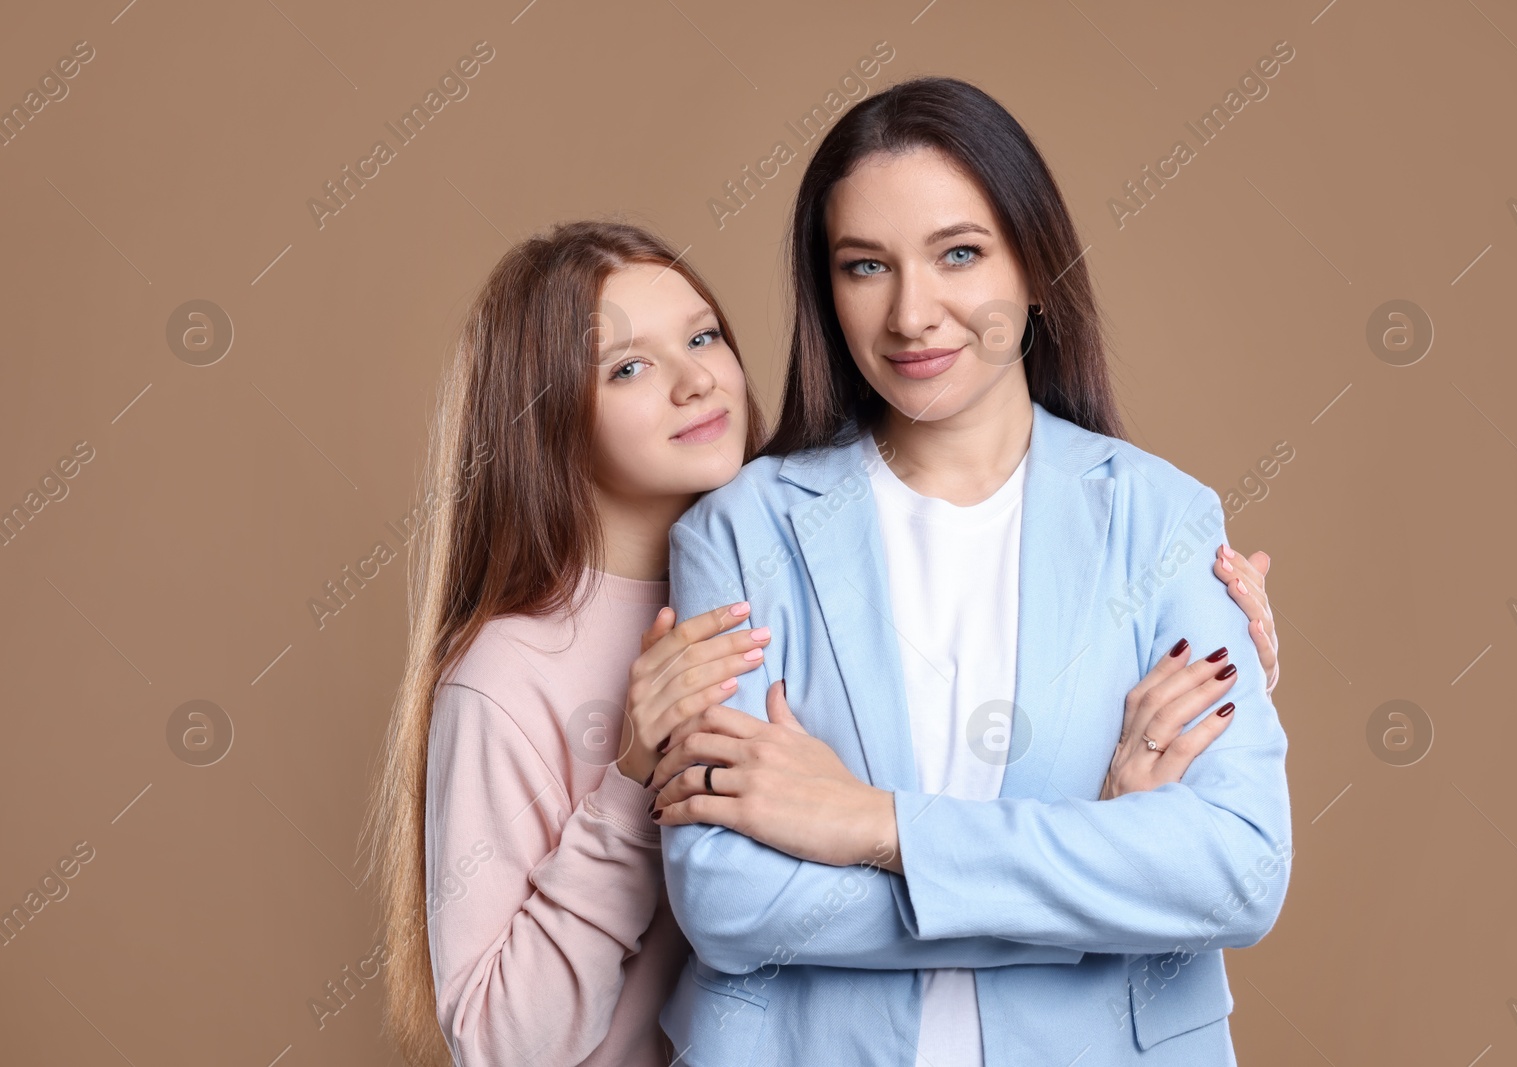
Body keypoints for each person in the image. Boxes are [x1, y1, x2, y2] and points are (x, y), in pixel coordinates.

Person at [361, 214, 1281, 1067]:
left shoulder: (786, 553)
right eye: (627, 368)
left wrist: (1205, 656)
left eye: (703, 336)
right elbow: (510, 1034)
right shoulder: (509, 673)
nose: (695, 381)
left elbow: (1214, 858)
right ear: (545, 416)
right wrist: (631, 777)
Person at [651, 76, 1292, 1066]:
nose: (912, 313)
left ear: (1035, 266)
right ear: (827, 290)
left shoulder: (1162, 516)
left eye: (958, 253)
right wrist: (1096, 864)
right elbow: (727, 903)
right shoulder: (738, 533)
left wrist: (872, 823)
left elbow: (1238, 869)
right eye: (866, 266)